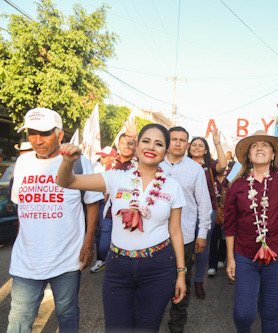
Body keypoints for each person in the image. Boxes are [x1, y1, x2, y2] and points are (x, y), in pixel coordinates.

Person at [56, 123, 187, 332]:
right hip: (118, 266)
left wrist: (181, 273)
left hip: (158, 268)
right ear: (136, 147)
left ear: (165, 152)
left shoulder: (173, 187)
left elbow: (176, 232)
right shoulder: (115, 177)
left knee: (147, 329)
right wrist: (67, 162)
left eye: (159, 143)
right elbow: (67, 181)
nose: (151, 147)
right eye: (146, 141)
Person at [8, 107, 102, 333]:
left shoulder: (79, 162)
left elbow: (92, 203)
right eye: (32, 133)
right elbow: (21, 208)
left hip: (67, 259)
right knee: (19, 319)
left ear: (60, 135)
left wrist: (88, 245)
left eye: (44, 133)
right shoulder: (22, 163)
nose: (37, 140)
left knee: (67, 313)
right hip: (26, 262)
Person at [224, 100, 278, 333]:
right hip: (245, 254)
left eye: (265, 145)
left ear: (273, 155)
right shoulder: (237, 186)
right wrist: (230, 258)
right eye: (254, 146)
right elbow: (229, 225)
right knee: (244, 313)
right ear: (248, 156)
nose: (260, 148)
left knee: (271, 313)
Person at [160, 126, 212, 333]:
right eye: (174, 139)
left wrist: (202, 234)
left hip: (186, 237)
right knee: (155, 283)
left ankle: (176, 325)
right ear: (167, 141)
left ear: (188, 145)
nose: (178, 143)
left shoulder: (195, 169)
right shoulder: (155, 164)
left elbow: (204, 205)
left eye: (183, 140)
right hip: (155, 237)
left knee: (182, 281)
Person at [187, 131, 227, 298]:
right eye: (194, 144)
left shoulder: (209, 164)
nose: (197, 147)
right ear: (189, 148)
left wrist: (218, 143)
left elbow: (223, 166)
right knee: (184, 247)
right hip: (185, 212)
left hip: (207, 211)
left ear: (205, 150)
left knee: (202, 248)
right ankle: (182, 279)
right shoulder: (182, 163)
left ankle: (198, 281)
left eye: (200, 145)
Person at [90, 136, 136, 273]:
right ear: (118, 145)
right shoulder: (112, 166)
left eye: (130, 143)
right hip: (110, 211)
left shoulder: (139, 165)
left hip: (130, 213)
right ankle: (104, 261)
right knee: (104, 244)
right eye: (123, 143)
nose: (126, 146)